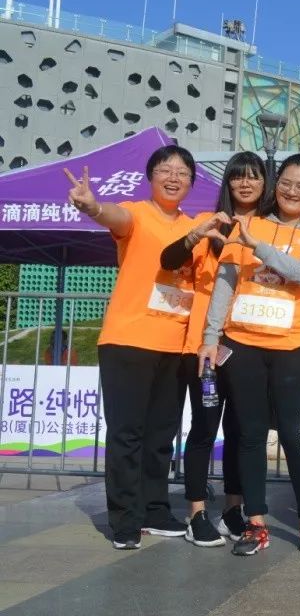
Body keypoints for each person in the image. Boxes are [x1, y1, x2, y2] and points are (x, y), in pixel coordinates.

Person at [66, 145, 200, 550]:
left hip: (174, 345)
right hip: (129, 341)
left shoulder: (195, 226)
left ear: (191, 183)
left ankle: (155, 509)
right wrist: (92, 207)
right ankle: (125, 519)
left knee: (161, 435)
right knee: (127, 434)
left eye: (182, 172)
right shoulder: (136, 213)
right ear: (150, 177)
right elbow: (114, 217)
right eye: (165, 170)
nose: (173, 178)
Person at [199, 148, 300, 556]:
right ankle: (255, 523)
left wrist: (258, 247)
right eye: (285, 183)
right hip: (243, 346)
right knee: (250, 436)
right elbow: (225, 282)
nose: (291, 191)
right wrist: (210, 336)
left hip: (293, 348)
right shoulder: (248, 224)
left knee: (295, 436)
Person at [159, 150, 270, 546]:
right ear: (228, 183)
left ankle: (233, 509)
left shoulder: (271, 229)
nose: (245, 183)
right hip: (205, 347)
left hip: (248, 346)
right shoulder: (208, 223)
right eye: (238, 176)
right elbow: (171, 260)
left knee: (241, 430)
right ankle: (196, 513)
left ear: (265, 182)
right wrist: (198, 235)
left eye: (254, 176)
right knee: (205, 430)